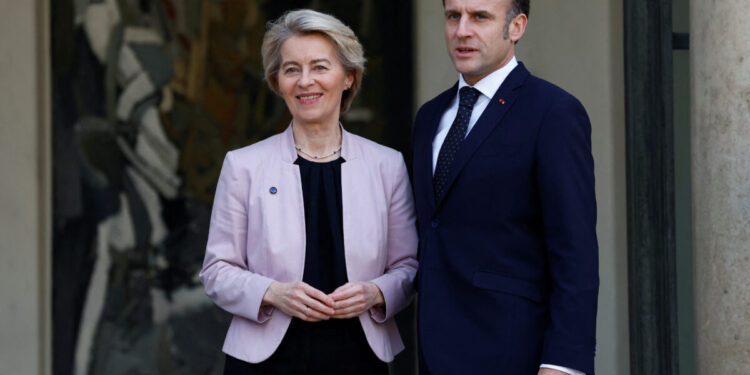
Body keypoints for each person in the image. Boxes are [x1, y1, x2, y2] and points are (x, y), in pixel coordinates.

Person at [200, 9, 418, 375]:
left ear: (349, 77)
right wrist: (273, 292)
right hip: (263, 360)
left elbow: (408, 267)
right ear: (277, 81)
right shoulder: (244, 165)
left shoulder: (387, 165)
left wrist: (376, 293)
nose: (305, 81)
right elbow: (217, 271)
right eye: (291, 69)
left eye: (319, 67)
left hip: (359, 357)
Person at [412, 0, 599, 374]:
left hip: (516, 352)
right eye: (453, 16)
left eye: (480, 17)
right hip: (435, 352)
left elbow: (574, 252)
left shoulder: (553, 112)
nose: (462, 30)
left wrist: (563, 363)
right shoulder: (430, 116)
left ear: (517, 27)